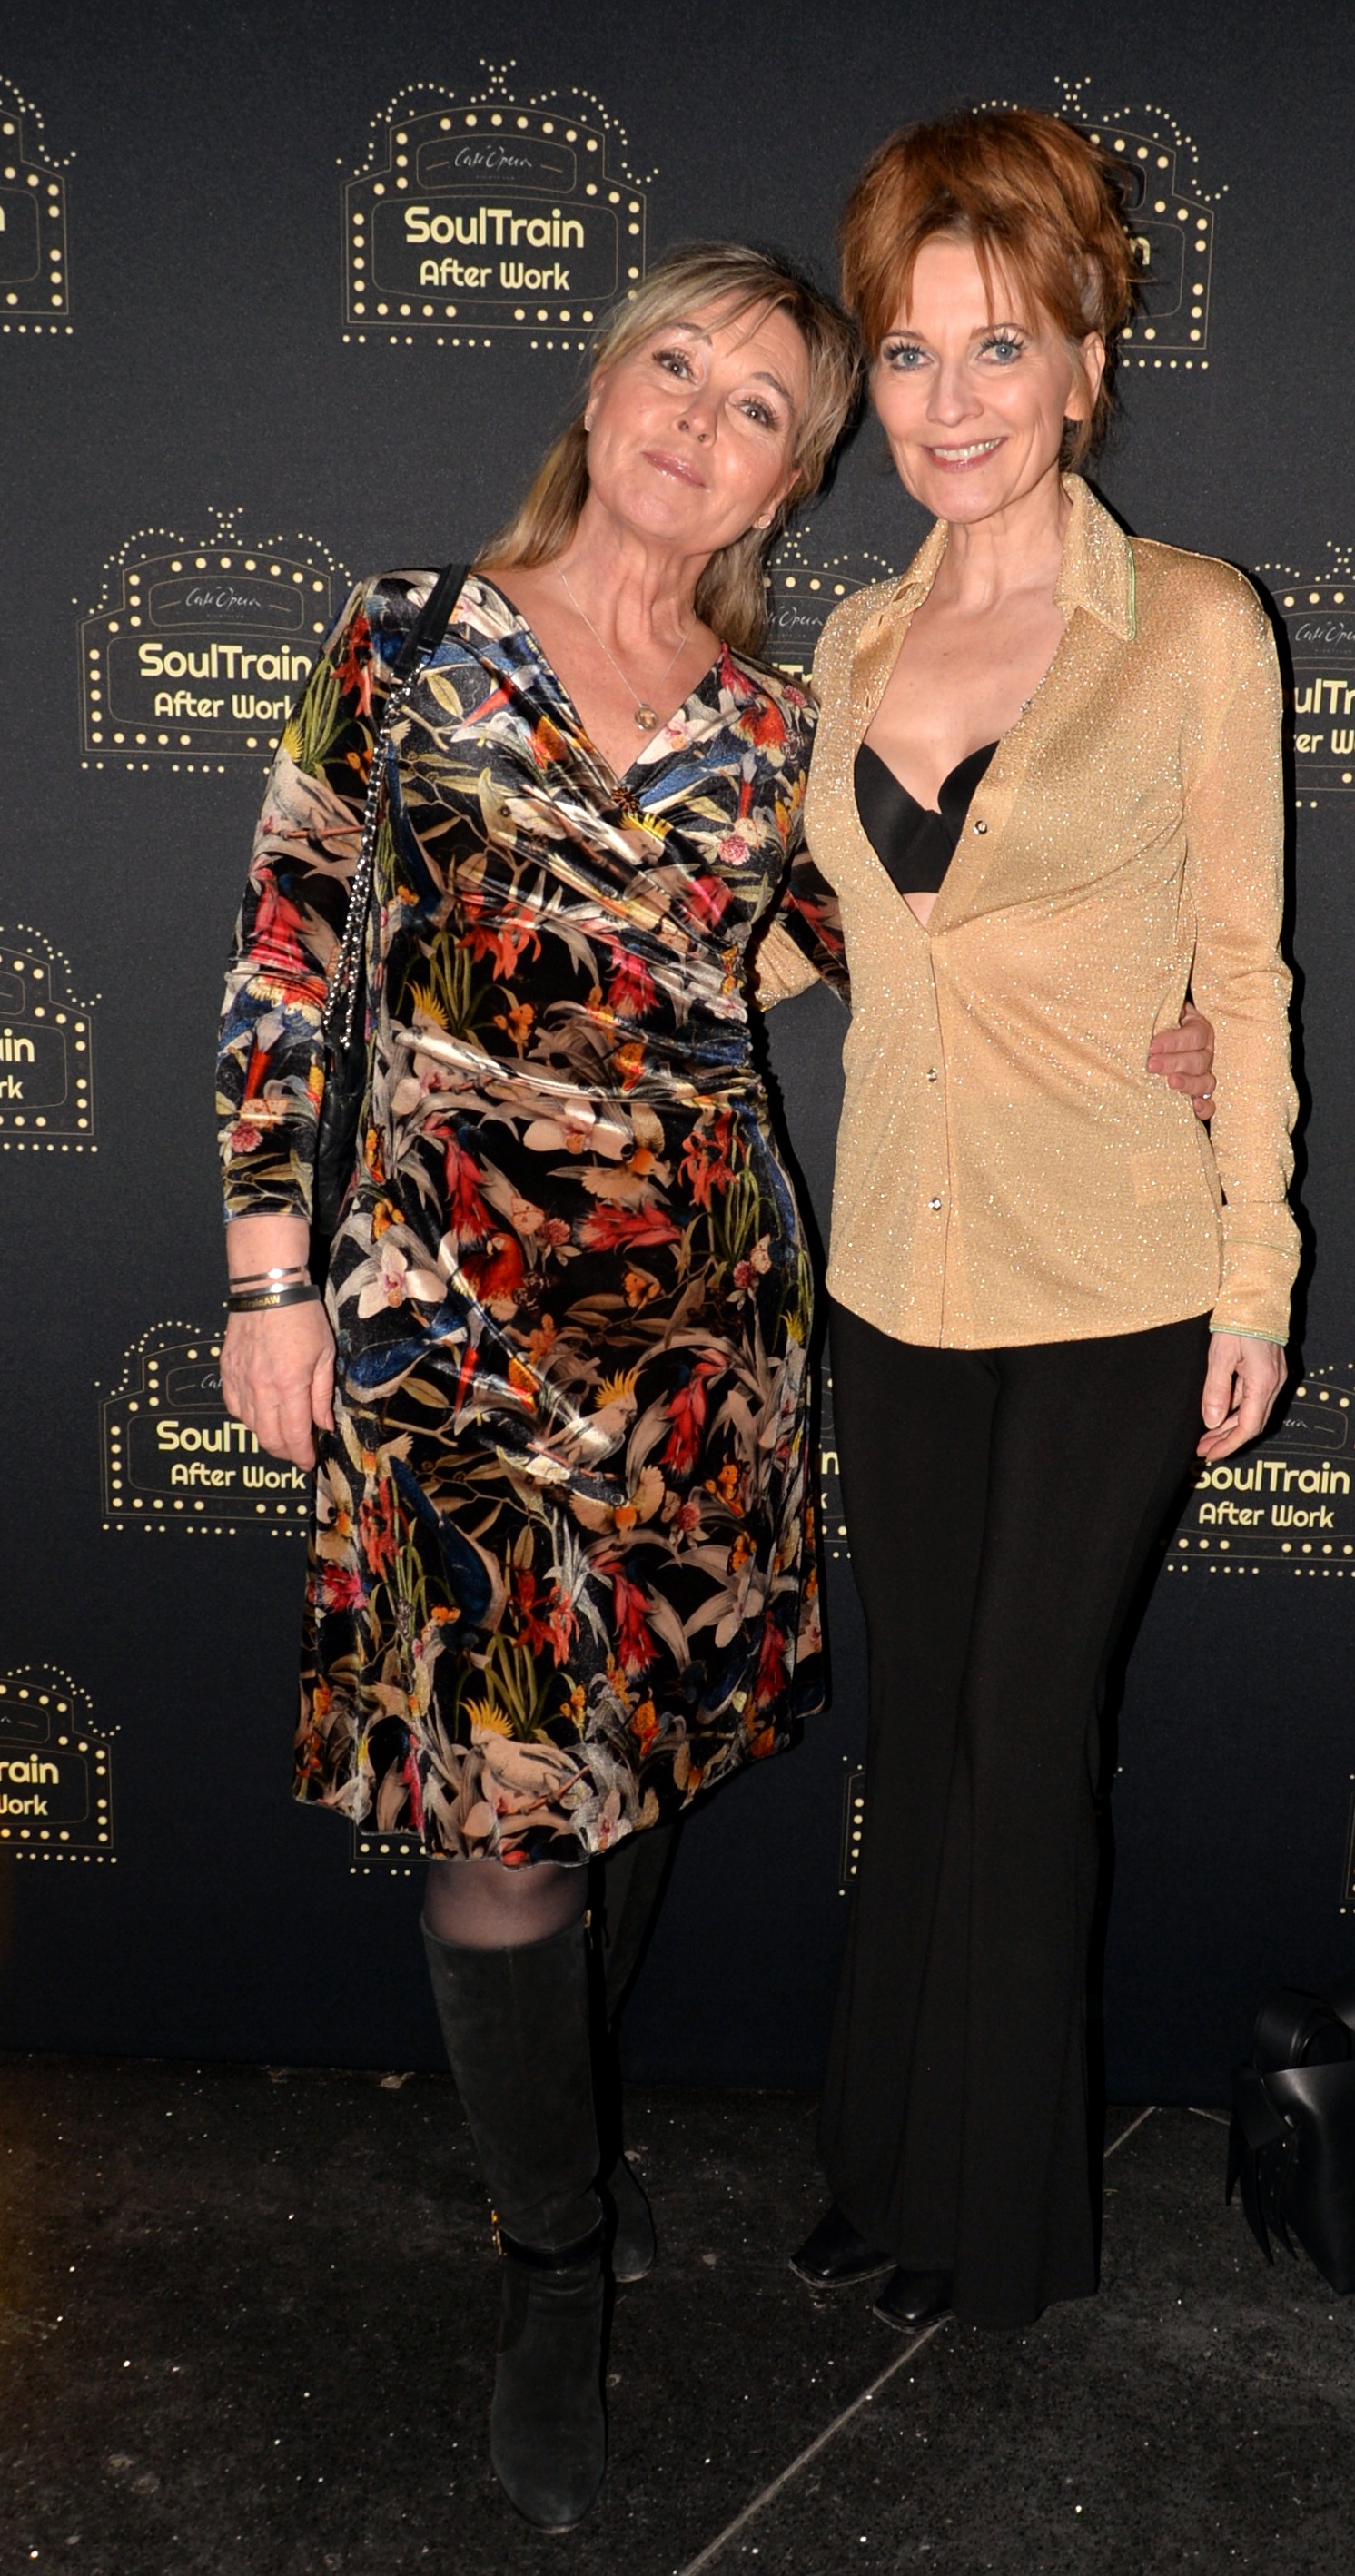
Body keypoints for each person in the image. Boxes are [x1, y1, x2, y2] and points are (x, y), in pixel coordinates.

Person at [213, 242, 860, 2531]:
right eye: (674, 362)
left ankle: (561, 2143)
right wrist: (269, 1274)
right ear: (599, 389)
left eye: (759, 403)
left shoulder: (780, 727)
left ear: (789, 481)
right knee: (505, 1837)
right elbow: (287, 957)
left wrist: (1141, 1029)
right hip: (446, 1333)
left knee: (640, 1765)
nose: (699, 416)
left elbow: (864, 943)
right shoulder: (404, 639)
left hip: (702, 1331)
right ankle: (551, 2255)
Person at [771, 108, 1299, 2335]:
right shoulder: (848, 638)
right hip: (893, 1266)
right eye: (906, 354)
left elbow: (1243, 974)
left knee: (1019, 1729)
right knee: (917, 1725)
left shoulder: (1190, 626)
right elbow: (804, 937)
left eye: (999, 347)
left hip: (1111, 1272)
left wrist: (1254, 1275)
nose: (949, 401)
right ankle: (880, 2167)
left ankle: (997, 2228)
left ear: (1087, 363)